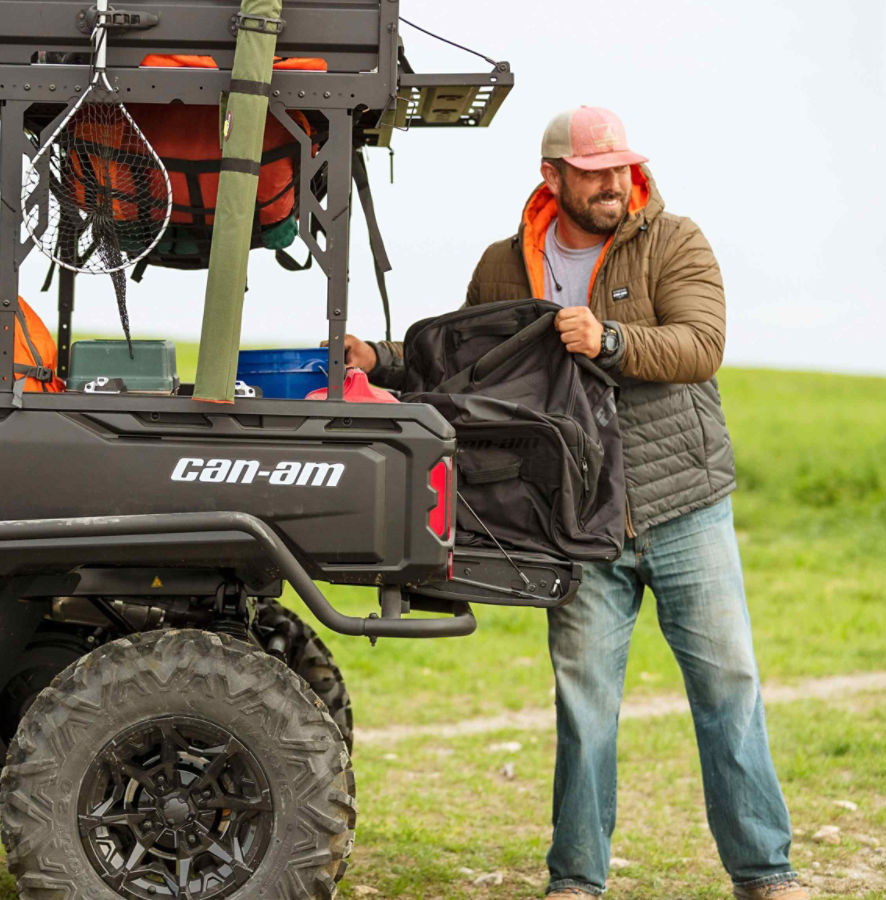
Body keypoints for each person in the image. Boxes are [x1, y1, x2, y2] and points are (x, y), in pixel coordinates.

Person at [345, 107, 806, 900]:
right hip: (578, 521)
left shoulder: (674, 240)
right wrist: (379, 361)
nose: (613, 184)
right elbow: (468, 361)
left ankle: (765, 873)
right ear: (551, 177)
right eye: (593, 172)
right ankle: (577, 881)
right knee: (585, 704)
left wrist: (611, 340)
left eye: (621, 167)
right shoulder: (504, 264)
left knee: (728, 687)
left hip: (684, 504)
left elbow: (702, 345)